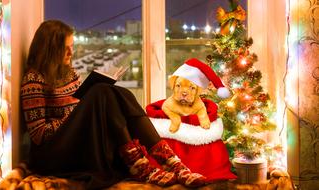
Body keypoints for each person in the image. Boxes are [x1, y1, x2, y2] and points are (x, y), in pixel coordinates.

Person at [20, 19, 208, 189]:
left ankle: (171, 162)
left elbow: (78, 108)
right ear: (51, 49)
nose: (71, 52)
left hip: (75, 140)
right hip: (52, 154)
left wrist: (81, 111)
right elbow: (39, 136)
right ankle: (140, 165)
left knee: (112, 92)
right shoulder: (33, 80)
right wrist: (76, 114)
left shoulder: (70, 73)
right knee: (100, 91)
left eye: (72, 46)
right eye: (65, 48)